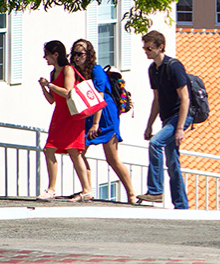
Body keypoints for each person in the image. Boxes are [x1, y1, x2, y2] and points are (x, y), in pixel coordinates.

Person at [70, 39, 136, 203]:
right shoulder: (75, 72)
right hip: (89, 115)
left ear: (88, 54)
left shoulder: (96, 70)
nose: (77, 57)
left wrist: (95, 124)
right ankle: (88, 189)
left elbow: (99, 99)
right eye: (75, 54)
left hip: (104, 115)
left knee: (112, 158)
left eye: (80, 54)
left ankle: (132, 194)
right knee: (78, 151)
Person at [136, 30, 192, 209]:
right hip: (167, 118)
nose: (146, 51)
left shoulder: (173, 66)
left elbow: (185, 98)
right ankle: (181, 205)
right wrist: (149, 124)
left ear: (161, 47)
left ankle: (155, 191)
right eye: (145, 48)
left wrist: (180, 128)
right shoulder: (153, 69)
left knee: (155, 143)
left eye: (149, 48)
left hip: (181, 117)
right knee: (173, 163)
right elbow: (157, 100)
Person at [36, 40, 93, 202]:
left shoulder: (68, 70)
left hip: (71, 116)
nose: (45, 57)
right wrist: (44, 87)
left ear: (55, 55)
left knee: (74, 151)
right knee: (49, 149)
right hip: (59, 115)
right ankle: (52, 188)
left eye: (47, 54)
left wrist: (50, 85)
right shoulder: (53, 73)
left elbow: (68, 92)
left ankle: (86, 190)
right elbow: (52, 100)